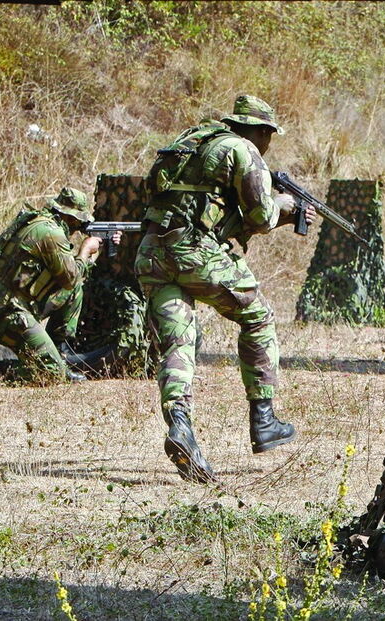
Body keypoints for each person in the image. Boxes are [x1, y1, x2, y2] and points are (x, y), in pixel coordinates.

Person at [135, 95, 315, 484]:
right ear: (262, 130)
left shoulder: (192, 141)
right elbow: (261, 216)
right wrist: (285, 205)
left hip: (152, 252)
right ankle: (264, 420)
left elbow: (210, 210)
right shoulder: (243, 149)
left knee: (178, 344)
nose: (268, 143)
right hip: (195, 254)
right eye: (269, 135)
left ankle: (180, 426)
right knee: (258, 318)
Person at [0, 187, 108, 384]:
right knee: (50, 374)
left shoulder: (38, 222)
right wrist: (86, 251)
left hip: (9, 306)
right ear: (70, 217)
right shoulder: (51, 234)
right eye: (78, 221)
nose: (78, 227)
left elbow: (68, 282)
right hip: (6, 314)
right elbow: (71, 277)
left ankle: (57, 353)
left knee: (73, 291)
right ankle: (5, 368)